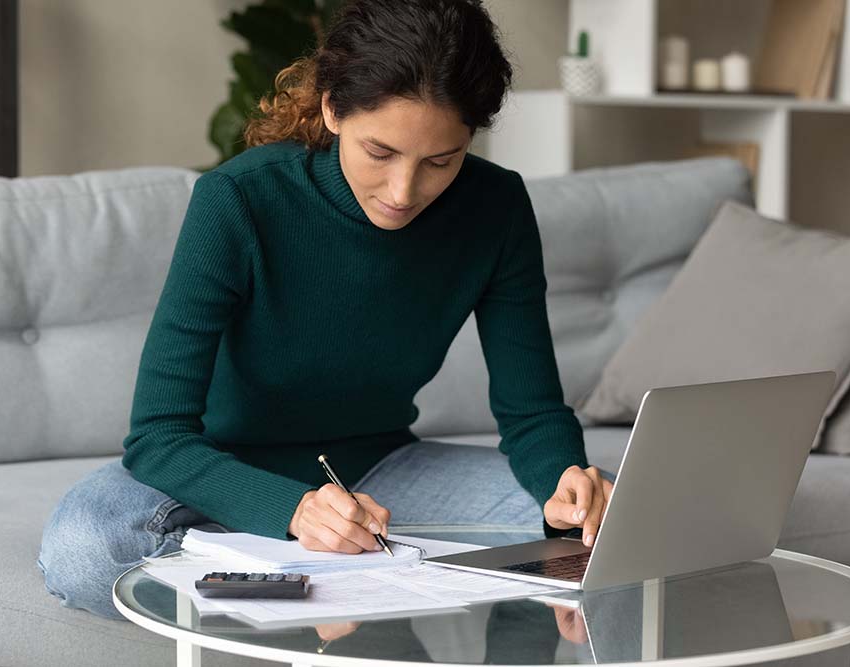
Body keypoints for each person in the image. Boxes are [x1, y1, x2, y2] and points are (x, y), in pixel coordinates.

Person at [38, 0, 613, 621]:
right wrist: (290, 510)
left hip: (380, 470)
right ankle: (331, 571)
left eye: (439, 162)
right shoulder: (237, 200)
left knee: (608, 531)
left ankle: (327, 578)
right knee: (87, 546)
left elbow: (531, 413)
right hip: (211, 471)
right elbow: (157, 438)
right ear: (333, 109)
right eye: (381, 153)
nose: (403, 192)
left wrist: (564, 482)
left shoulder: (496, 208)